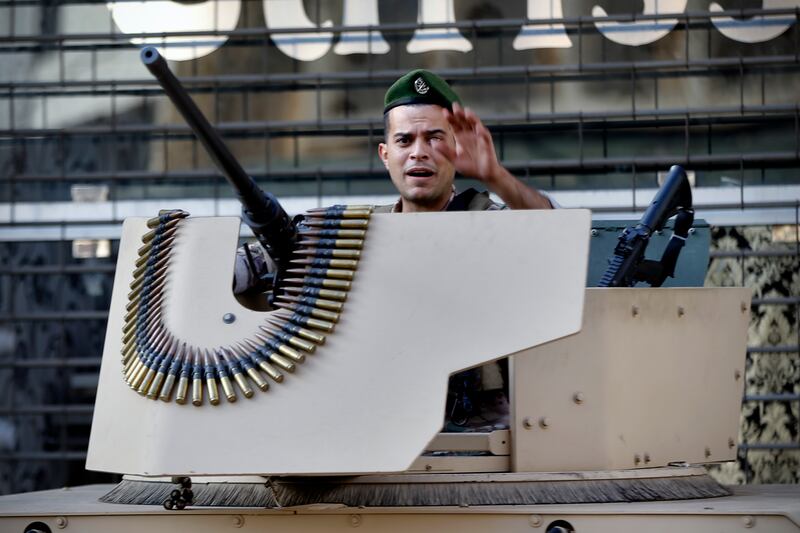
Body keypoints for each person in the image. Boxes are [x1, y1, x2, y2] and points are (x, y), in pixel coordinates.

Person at [234, 69, 556, 430]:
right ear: (385, 154)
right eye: (405, 141)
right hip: (369, 417)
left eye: (435, 139)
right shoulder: (356, 232)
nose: (419, 153)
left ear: (457, 149)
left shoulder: (487, 223)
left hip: (472, 429)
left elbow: (552, 236)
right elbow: (243, 269)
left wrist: (494, 175)